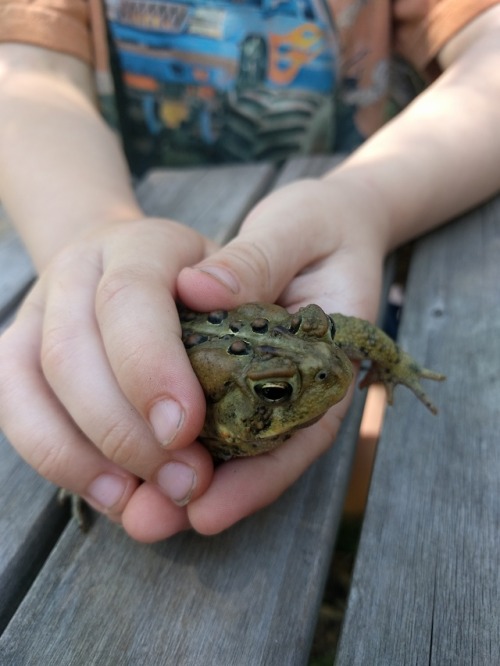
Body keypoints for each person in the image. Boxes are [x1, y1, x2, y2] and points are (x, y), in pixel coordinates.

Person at [0, 1, 499, 543]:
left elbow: (347, 332)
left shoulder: (310, 345)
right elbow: (28, 74)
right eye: (279, 390)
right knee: (105, 388)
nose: (333, 367)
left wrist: (365, 203)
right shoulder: (215, 418)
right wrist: (85, 232)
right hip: (154, 263)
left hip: (355, 243)